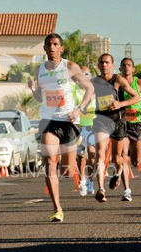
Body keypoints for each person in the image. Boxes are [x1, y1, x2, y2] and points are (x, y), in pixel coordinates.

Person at [27, 33, 94, 222]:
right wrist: (33, 90)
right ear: (45, 48)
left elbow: (90, 89)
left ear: (61, 48)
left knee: (66, 170)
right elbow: (41, 99)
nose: (52, 47)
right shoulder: (40, 70)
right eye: (49, 44)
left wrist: (79, 110)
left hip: (69, 121)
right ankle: (57, 208)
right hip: (49, 120)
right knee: (49, 164)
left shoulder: (70, 67)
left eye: (56, 44)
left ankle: (76, 156)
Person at [90, 53, 140, 202]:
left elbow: (137, 97)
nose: (104, 65)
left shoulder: (118, 80)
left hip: (117, 121)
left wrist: (120, 104)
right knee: (100, 153)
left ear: (112, 65)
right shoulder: (94, 81)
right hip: (101, 120)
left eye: (107, 62)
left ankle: (118, 173)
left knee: (116, 159)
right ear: (98, 65)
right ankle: (101, 189)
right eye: (101, 62)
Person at [119, 58, 141, 188]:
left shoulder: (139, 83)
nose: (126, 67)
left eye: (129, 65)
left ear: (133, 69)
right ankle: (126, 190)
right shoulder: (117, 83)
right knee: (122, 154)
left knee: (136, 161)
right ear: (120, 69)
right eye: (124, 65)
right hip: (122, 122)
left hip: (136, 122)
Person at [75, 65, 97, 196]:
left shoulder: (95, 91)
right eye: (82, 74)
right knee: (80, 156)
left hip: (92, 126)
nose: (85, 76)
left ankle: (90, 181)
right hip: (78, 126)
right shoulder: (76, 91)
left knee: (92, 153)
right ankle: (82, 180)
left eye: (87, 74)